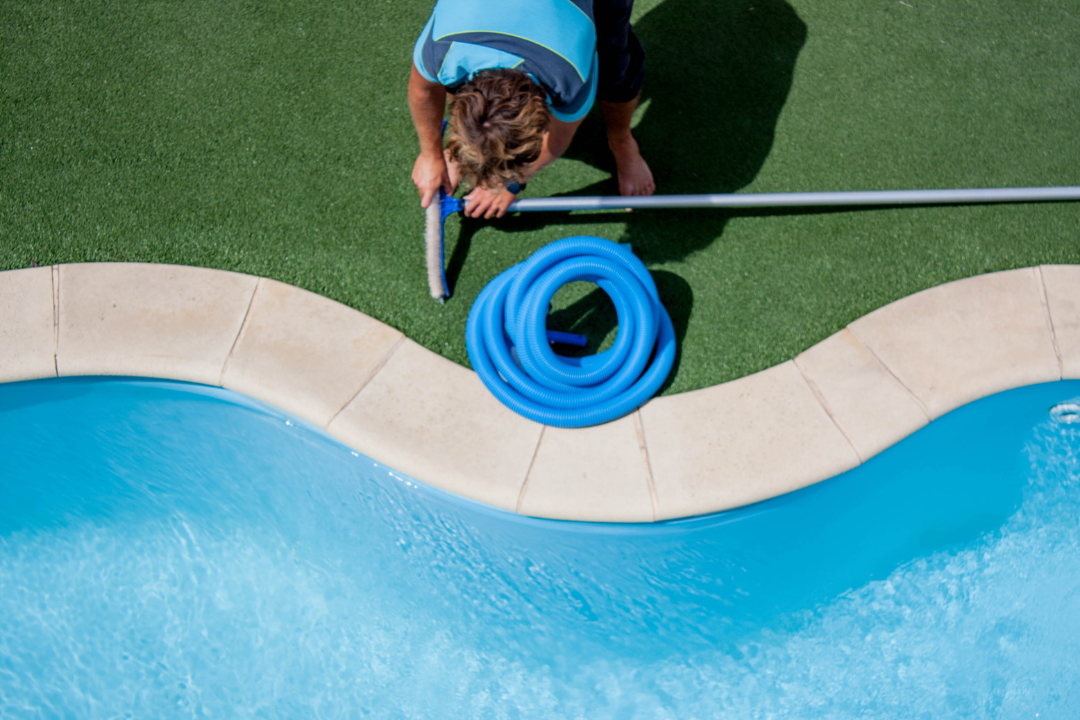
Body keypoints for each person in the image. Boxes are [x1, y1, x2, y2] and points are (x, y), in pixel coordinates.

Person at [408, 0, 655, 220]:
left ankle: (621, 140)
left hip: (561, 31)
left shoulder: (568, 76)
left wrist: (511, 183)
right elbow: (423, 90)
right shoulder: (442, 49)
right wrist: (431, 155)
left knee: (615, 71)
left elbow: (557, 139)